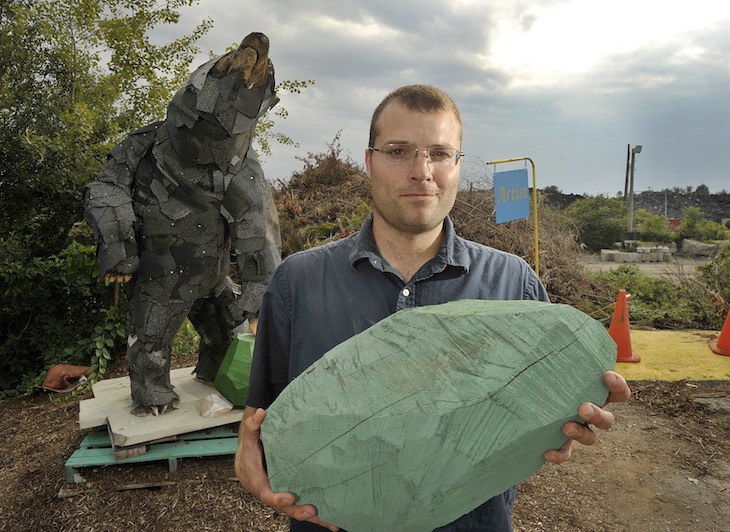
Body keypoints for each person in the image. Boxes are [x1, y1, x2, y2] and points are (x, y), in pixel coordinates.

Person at [234, 84, 631, 531]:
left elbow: (536, 412)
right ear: (369, 161)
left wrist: (564, 420)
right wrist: (249, 463)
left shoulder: (514, 283)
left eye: (440, 154)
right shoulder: (297, 282)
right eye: (399, 151)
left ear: (458, 165)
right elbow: (261, 419)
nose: (422, 172)